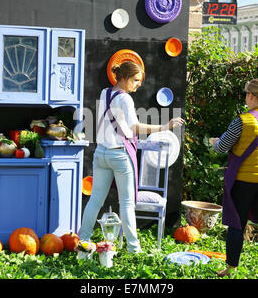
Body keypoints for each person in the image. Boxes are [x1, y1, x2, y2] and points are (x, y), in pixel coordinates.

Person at [78, 61, 184, 253]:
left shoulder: (105, 92)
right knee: (127, 203)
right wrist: (164, 127)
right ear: (125, 78)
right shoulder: (125, 99)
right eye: (135, 80)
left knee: (95, 201)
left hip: (101, 153)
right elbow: (135, 128)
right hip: (119, 154)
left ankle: (83, 240)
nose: (138, 84)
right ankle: (134, 250)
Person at [209, 78, 258, 277]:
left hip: (244, 181)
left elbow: (222, 147)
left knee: (237, 223)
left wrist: (214, 142)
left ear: (252, 96)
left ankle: (230, 267)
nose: (245, 97)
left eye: (246, 93)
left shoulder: (241, 121)